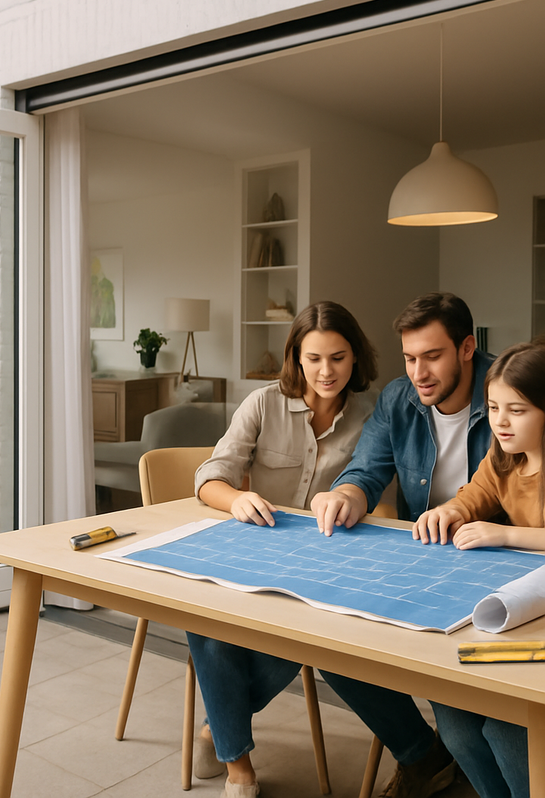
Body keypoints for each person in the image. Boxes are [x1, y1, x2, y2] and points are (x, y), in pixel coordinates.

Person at [188, 300, 378, 798]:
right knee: (205, 623)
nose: (325, 371)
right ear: (296, 357)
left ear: (355, 357)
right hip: (255, 549)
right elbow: (210, 478)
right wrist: (237, 498)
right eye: (313, 358)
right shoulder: (262, 403)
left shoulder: (373, 414)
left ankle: (216, 731)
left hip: (328, 561)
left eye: (337, 357)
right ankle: (239, 766)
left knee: (300, 637)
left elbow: (377, 489)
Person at [311, 292, 495, 798]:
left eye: (432, 356)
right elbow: (366, 470)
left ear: (466, 348)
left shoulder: (507, 389)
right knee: (334, 645)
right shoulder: (398, 398)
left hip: (494, 560)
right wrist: (346, 494)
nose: (419, 373)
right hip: (426, 557)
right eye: (410, 358)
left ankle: (465, 760)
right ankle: (422, 756)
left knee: (467, 727)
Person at [410, 341, 545, 798]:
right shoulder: (504, 454)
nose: (501, 421)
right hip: (515, 608)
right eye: (493, 408)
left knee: (507, 731)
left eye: (517, 410)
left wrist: (505, 534)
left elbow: (504, 531)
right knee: (453, 714)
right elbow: (476, 494)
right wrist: (450, 511)